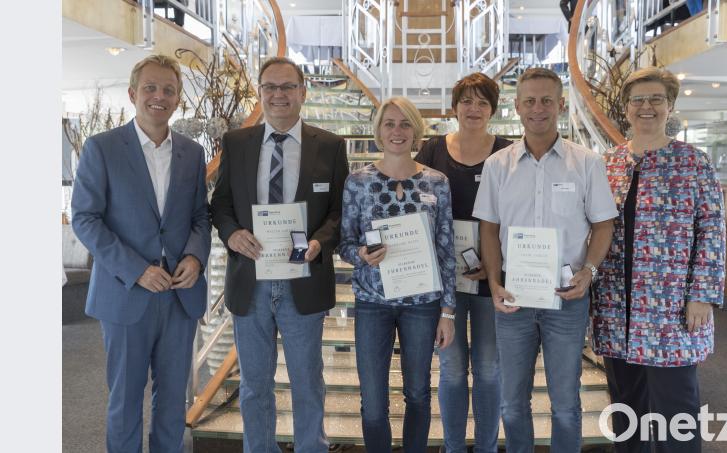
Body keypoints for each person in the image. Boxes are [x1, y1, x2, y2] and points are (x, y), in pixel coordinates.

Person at [71, 54, 211, 452]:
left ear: (178, 99)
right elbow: (85, 219)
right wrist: (136, 270)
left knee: (173, 401)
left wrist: (195, 257)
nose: (159, 96)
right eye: (150, 88)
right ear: (133, 94)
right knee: (125, 399)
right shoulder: (102, 148)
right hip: (125, 292)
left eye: (168, 90)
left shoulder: (192, 153)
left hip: (180, 296)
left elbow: (200, 216)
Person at [473, 67, 617, 453]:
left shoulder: (587, 162)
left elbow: (604, 225)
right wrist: (494, 282)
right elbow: (489, 230)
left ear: (561, 105)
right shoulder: (496, 165)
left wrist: (589, 271)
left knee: (566, 404)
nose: (538, 108)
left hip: (567, 298)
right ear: (517, 107)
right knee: (512, 403)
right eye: (530, 101)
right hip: (514, 299)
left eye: (546, 101)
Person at [210, 57, 349, 453]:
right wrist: (232, 233)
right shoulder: (236, 143)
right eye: (270, 86)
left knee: (307, 381)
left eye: (287, 86)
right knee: (254, 385)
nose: (278, 94)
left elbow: (340, 212)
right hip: (250, 281)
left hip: (304, 281)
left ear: (303, 92)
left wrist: (320, 242)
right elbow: (220, 204)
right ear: (260, 92)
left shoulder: (330, 146)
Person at [592, 66, 726, 453]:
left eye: (656, 99)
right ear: (625, 108)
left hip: (672, 310)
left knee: (675, 409)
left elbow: (712, 231)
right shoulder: (607, 163)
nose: (646, 107)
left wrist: (702, 294)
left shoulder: (694, 162)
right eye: (638, 100)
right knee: (625, 408)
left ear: (670, 106)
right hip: (616, 308)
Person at [339, 96, 456, 453]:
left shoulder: (437, 182)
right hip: (373, 302)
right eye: (389, 123)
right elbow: (344, 243)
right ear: (378, 131)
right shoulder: (358, 182)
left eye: (405, 123)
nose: (397, 131)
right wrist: (360, 255)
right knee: (374, 402)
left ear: (416, 131)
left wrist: (448, 311)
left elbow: (446, 249)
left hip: (422, 304)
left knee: (418, 393)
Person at [414, 72, 510, 453]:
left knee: (489, 369)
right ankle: (453, 447)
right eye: (466, 101)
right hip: (445, 283)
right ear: (454, 107)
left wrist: (495, 262)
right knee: (452, 371)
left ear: (493, 110)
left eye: (482, 102)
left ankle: (486, 447)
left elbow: (517, 215)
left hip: (492, 279)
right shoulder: (432, 151)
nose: (474, 109)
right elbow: (412, 204)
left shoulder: (507, 153)